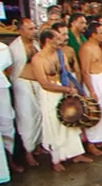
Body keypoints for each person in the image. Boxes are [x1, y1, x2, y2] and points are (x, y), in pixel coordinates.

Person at [32, 29, 92, 171]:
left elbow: (68, 73)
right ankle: (56, 159)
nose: (62, 41)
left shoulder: (61, 54)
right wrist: (66, 90)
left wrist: (72, 90)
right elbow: (44, 83)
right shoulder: (38, 59)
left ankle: (76, 154)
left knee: (71, 121)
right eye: (58, 38)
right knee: (54, 125)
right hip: (49, 94)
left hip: (64, 90)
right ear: (48, 40)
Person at [9, 18, 44, 167]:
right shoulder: (14, 48)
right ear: (20, 30)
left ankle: (38, 145)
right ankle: (28, 152)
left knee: (39, 115)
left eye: (34, 28)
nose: (34, 31)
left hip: (37, 84)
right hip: (22, 85)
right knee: (27, 118)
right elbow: (10, 69)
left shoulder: (36, 44)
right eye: (30, 29)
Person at [80, 22, 102, 155]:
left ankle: (99, 139)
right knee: (93, 112)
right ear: (93, 34)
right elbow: (85, 71)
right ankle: (91, 143)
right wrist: (91, 90)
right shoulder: (86, 48)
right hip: (93, 83)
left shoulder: (99, 46)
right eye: (101, 33)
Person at [0, 42, 23, 173]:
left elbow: (8, 69)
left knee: (6, 122)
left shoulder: (2, 48)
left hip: (1, 88)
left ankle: (9, 161)